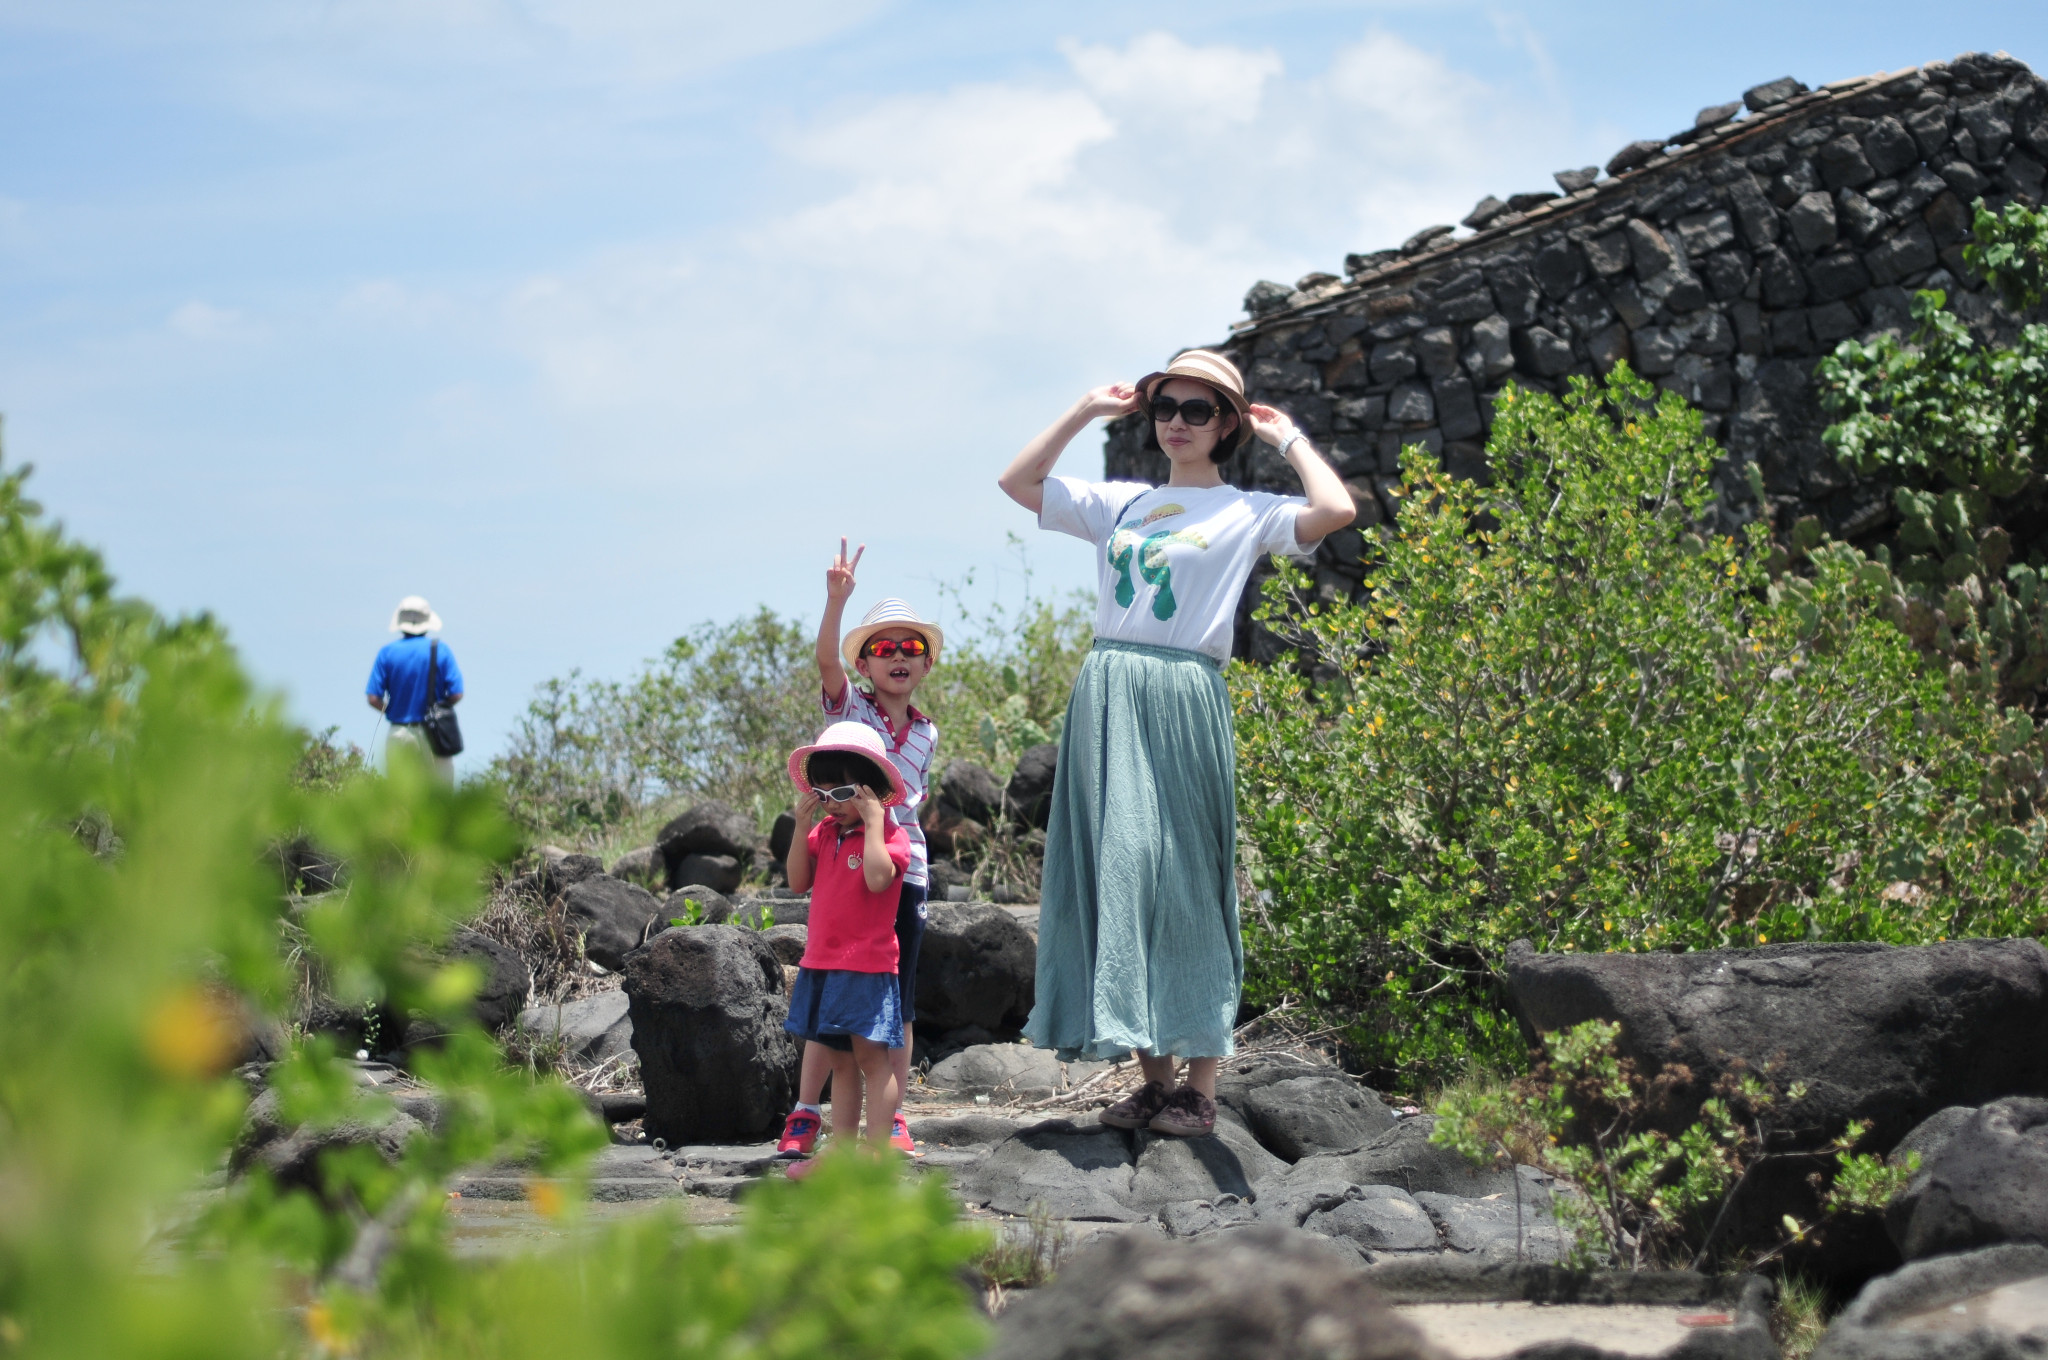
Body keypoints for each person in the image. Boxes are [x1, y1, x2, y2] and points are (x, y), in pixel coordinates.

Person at [996, 348, 1354, 1137]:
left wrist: (1288, 437)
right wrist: (1088, 410)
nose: (1178, 423)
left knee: (1188, 874)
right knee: (1121, 866)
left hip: (1185, 691)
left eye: (1199, 410)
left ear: (1226, 422)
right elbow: (1017, 483)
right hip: (1110, 688)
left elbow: (1336, 512)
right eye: (1167, 408)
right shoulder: (1118, 502)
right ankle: (1151, 1080)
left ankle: (1200, 1084)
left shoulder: (1247, 510)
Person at [776, 547, 941, 1160]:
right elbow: (825, 661)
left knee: (898, 995)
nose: (899, 656)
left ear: (926, 664)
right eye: (885, 648)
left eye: (911, 648)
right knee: (832, 989)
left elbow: (911, 809)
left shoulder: (926, 731)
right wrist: (837, 600)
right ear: (867, 661)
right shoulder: (853, 712)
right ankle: (805, 1108)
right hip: (846, 862)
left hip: (905, 868)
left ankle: (890, 1118)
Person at [780, 721, 913, 1173]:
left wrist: (875, 823)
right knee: (839, 1059)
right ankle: (841, 1150)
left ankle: (875, 1151)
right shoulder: (825, 834)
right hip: (823, 961)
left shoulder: (892, 837)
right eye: (822, 796)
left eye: (842, 795)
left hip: (867, 966)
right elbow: (797, 882)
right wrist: (802, 828)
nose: (831, 806)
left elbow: (878, 879)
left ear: (870, 792)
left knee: (872, 1060)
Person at [365, 595, 463, 783]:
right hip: (433, 733)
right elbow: (456, 693)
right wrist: (440, 708)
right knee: (440, 797)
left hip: (399, 731)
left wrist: (391, 710)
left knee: (399, 798)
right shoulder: (440, 650)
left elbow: (373, 698)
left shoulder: (387, 653)